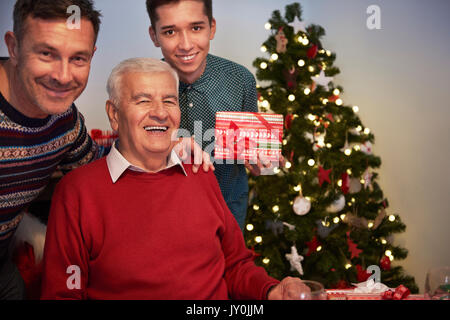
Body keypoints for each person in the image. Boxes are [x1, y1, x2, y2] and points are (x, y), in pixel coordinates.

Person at [40, 57, 309, 300]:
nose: (160, 112)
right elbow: (63, 294)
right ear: (114, 114)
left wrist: (271, 290)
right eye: (143, 100)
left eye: (169, 100)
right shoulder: (77, 192)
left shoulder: (200, 174)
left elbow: (235, 264)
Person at [0, 0, 211, 300]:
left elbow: (102, 166)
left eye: (78, 58)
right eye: (46, 53)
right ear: (14, 46)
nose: (62, 76)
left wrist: (160, 147)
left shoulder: (65, 122)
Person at [146, 0, 278, 230]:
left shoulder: (240, 80)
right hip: (163, 212)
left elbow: (252, 151)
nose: (185, 45)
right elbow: (132, 152)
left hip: (227, 209)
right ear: (154, 36)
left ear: (212, 27)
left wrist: (262, 161)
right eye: (170, 31)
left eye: (196, 28)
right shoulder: (144, 84)